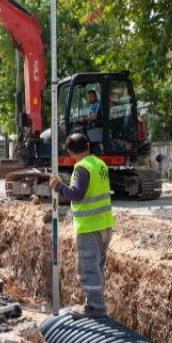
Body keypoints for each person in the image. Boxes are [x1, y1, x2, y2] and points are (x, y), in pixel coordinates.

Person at [49, 133, 114, 320]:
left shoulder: (82, 168)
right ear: (88, 146)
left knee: (88, 269)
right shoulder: (99, 164)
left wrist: (59, 186)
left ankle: (96, 307)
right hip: (105, 225)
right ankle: (95, 303)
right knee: (98, 267)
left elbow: (76, 194)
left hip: (89, 227)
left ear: (70, 152)